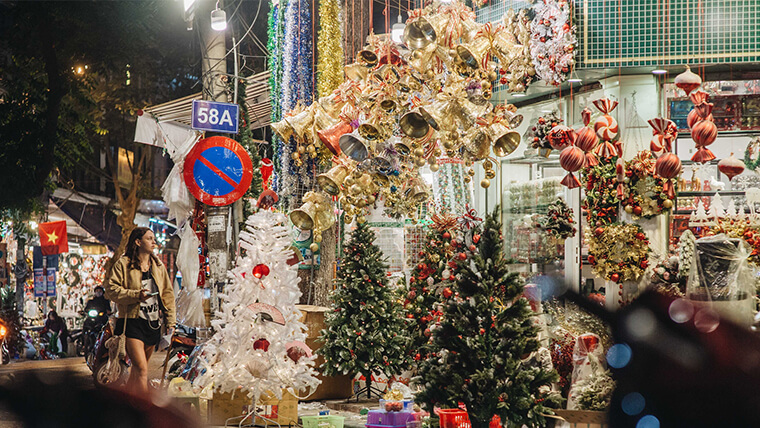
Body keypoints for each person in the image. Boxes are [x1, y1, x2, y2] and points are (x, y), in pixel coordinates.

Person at [105, 227, 176, 395]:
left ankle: (127, 406)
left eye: (153, 238)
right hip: (131, 322)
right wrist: (135, 295)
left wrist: (170, 322)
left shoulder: (158, 266)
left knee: (137, 373)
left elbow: (167, 294)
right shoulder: (123, 264)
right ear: (138, 242)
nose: (154, 241)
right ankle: (145, 411)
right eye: (149, 238)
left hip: (152, 324)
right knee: (142, 369)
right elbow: (111, 290)